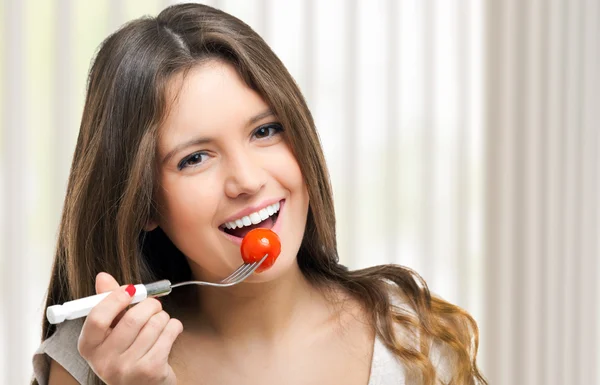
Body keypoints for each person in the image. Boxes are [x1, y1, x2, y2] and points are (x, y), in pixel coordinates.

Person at [32, 3, 487, 385]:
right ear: (144, 203)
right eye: (195, 159)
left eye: (266, 131)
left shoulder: (412, 341)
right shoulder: (94, 357)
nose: (247, 180)